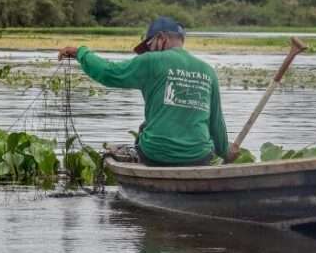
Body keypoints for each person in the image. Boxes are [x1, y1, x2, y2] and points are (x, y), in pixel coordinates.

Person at [58, 17, 237, 166]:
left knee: (143, 134)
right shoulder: (208, 71)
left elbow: (108, 72)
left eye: (149, 46)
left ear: (161, 38)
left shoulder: (151, 61)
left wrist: (80, 52)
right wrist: (226, 153)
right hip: (198, 157)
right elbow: (217, 124)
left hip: (157, 154)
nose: (147, 52)